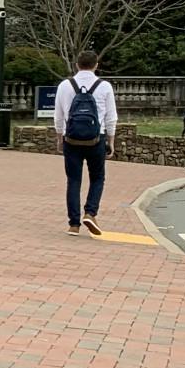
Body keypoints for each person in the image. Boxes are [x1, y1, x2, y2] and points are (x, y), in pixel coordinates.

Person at [53, 49, 118, 236]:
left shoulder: (65, 85)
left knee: (73, 180)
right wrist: (111, 140)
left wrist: (60, 138)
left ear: (76, 65)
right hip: (96, 138)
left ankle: (73, 224)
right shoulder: (104, 86)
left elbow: (58, 116)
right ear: (96, 65)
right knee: (97, 177)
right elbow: (111, 117)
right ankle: (90, 212)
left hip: (71, 138)